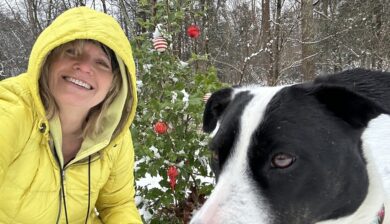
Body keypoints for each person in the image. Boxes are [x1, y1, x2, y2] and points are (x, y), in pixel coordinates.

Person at [0, 7, 142, 224]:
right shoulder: (10, 109)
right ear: (48, 59)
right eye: (71, 52)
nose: (84, 66)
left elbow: (117, 205)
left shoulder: (112, 137)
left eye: (101, 63)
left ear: (115, 83)